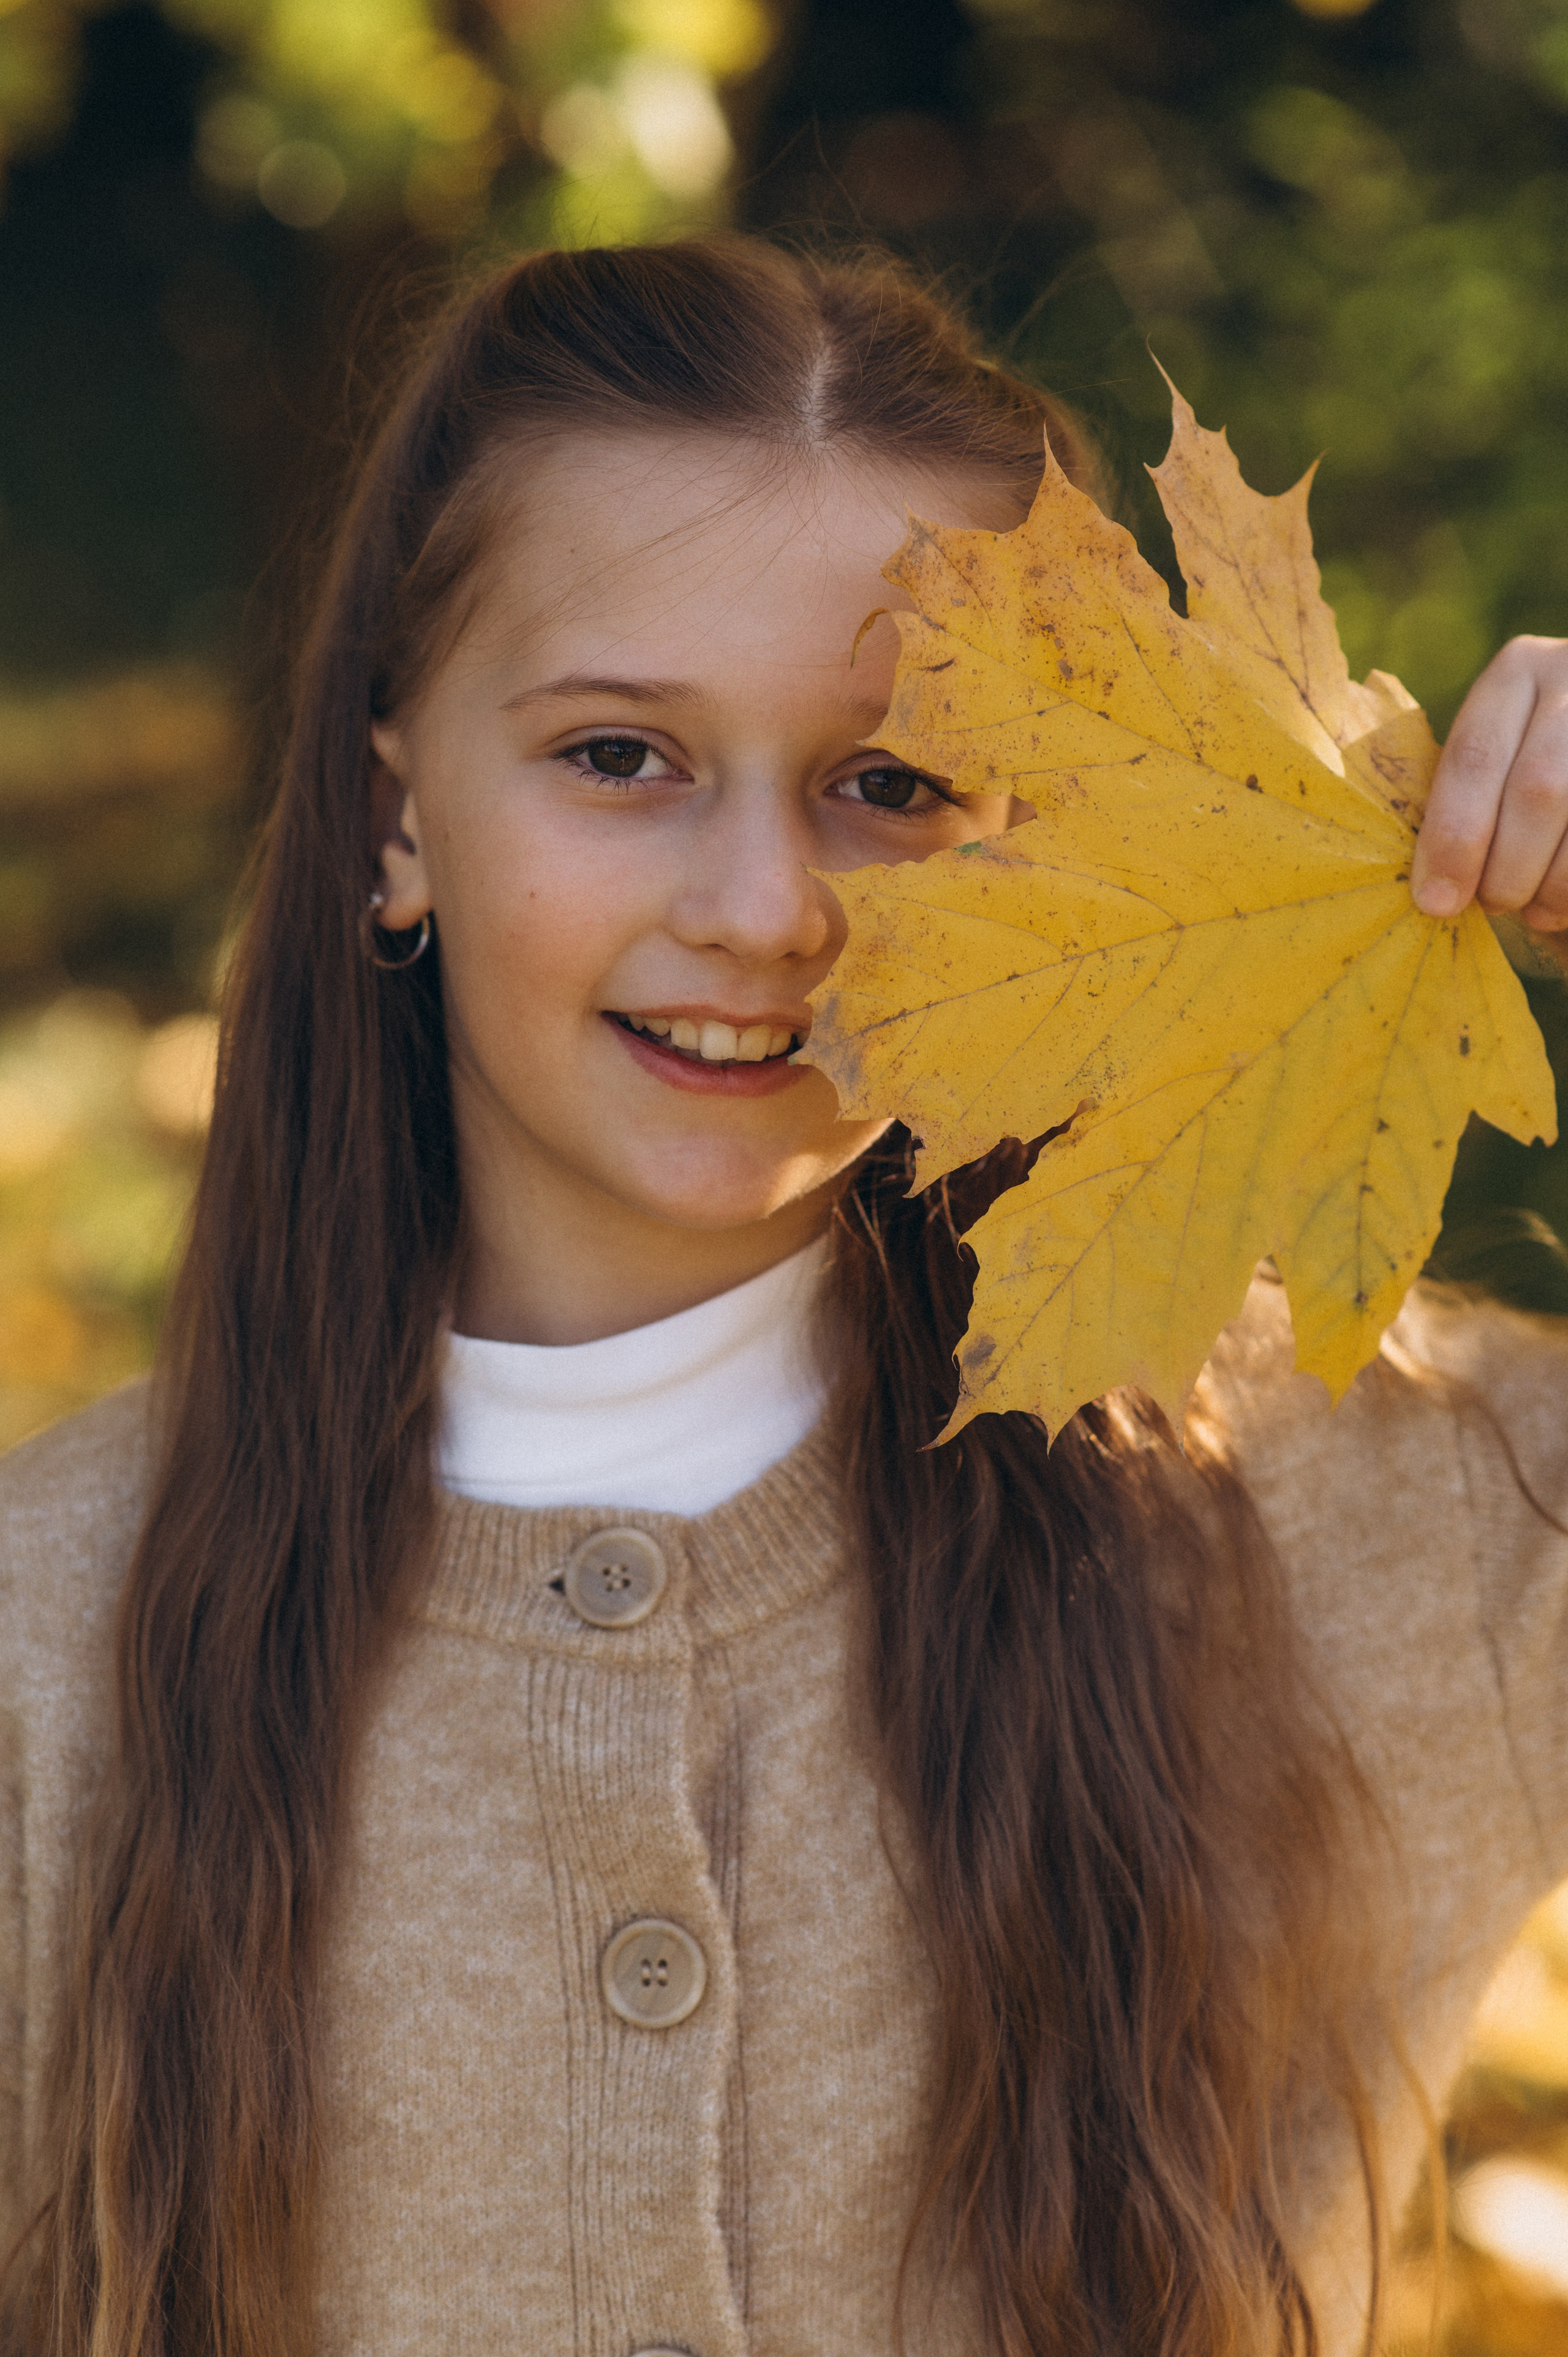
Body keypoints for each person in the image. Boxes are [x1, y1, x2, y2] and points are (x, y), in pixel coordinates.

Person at [2, 238, 1567, 2357]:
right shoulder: (47, 1655)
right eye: (621, 758)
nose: (765, 915)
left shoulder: (1391, 1508)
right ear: (395, 820)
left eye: (894, 788)